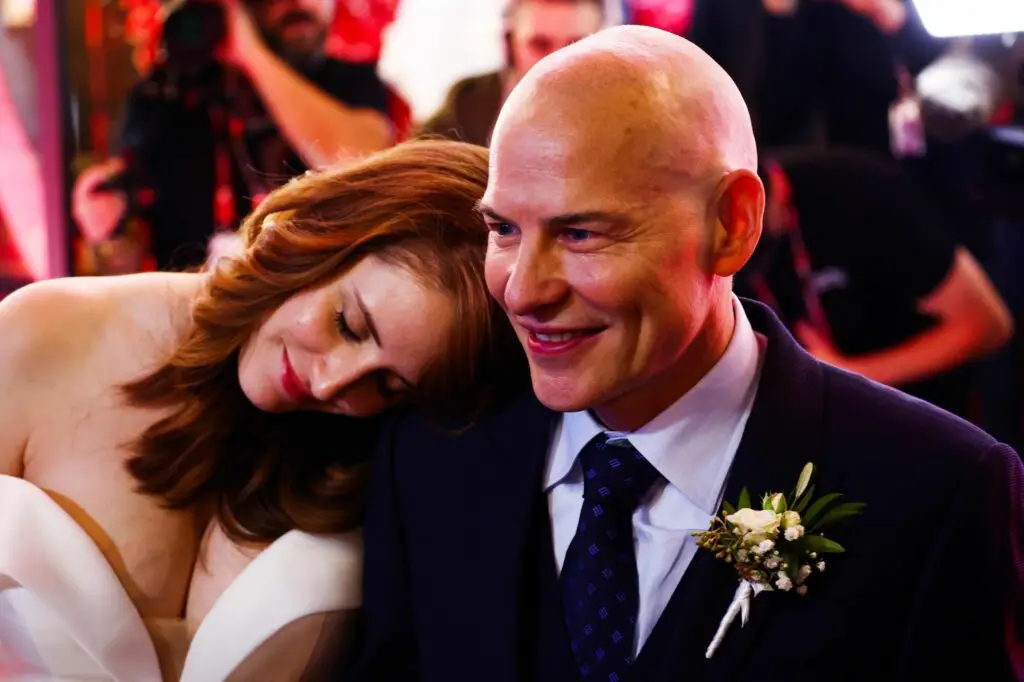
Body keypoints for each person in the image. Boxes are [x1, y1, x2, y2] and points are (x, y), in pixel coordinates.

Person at [352, 26, 1024, 682]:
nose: (524, 290)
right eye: (503, 228)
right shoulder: (429, 451)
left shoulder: (938, 491)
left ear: (732, 225)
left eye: (581, 233)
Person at [0, 140, 522, 681]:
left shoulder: (369, 464)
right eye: (347, 325)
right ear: (320, 230)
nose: (332, 384)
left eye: (386, 384)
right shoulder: (47, 336)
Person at [72, 0, 394, 271]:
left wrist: (250, 52)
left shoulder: (352, 82)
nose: (295, 3)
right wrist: (107, 227)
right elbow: (126, 257)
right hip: (190, 313)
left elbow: (361, 163)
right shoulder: (163, 97)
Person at [734, 147, 1012, 418]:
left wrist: (852, 374)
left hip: (921, 406)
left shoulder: (861, 194)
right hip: (819, 409)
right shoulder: (723, 227)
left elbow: (989, 325)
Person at [416, 0, 604, 147]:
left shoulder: (615, 108)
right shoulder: (468, 99)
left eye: (576, 44)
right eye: (540, 45)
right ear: (509, 43)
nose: (558, 61)